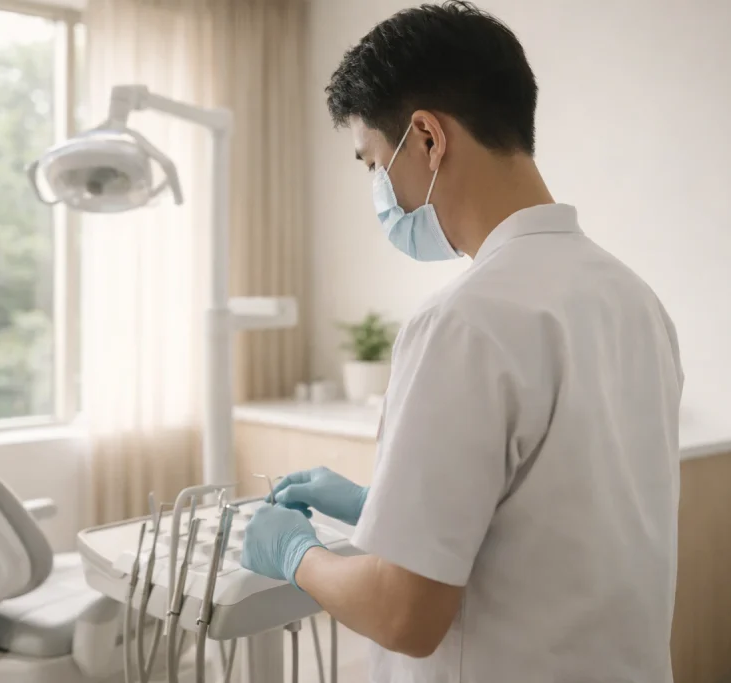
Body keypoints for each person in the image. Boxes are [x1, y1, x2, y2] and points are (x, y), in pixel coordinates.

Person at [240, 2, 684, 681]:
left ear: (425, 138)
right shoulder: (635, 298)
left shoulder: (463, 322)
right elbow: (562, 520)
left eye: (370, 164)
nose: (377, 192)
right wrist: (379, 511)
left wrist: (295, 552)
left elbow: (403, 616)